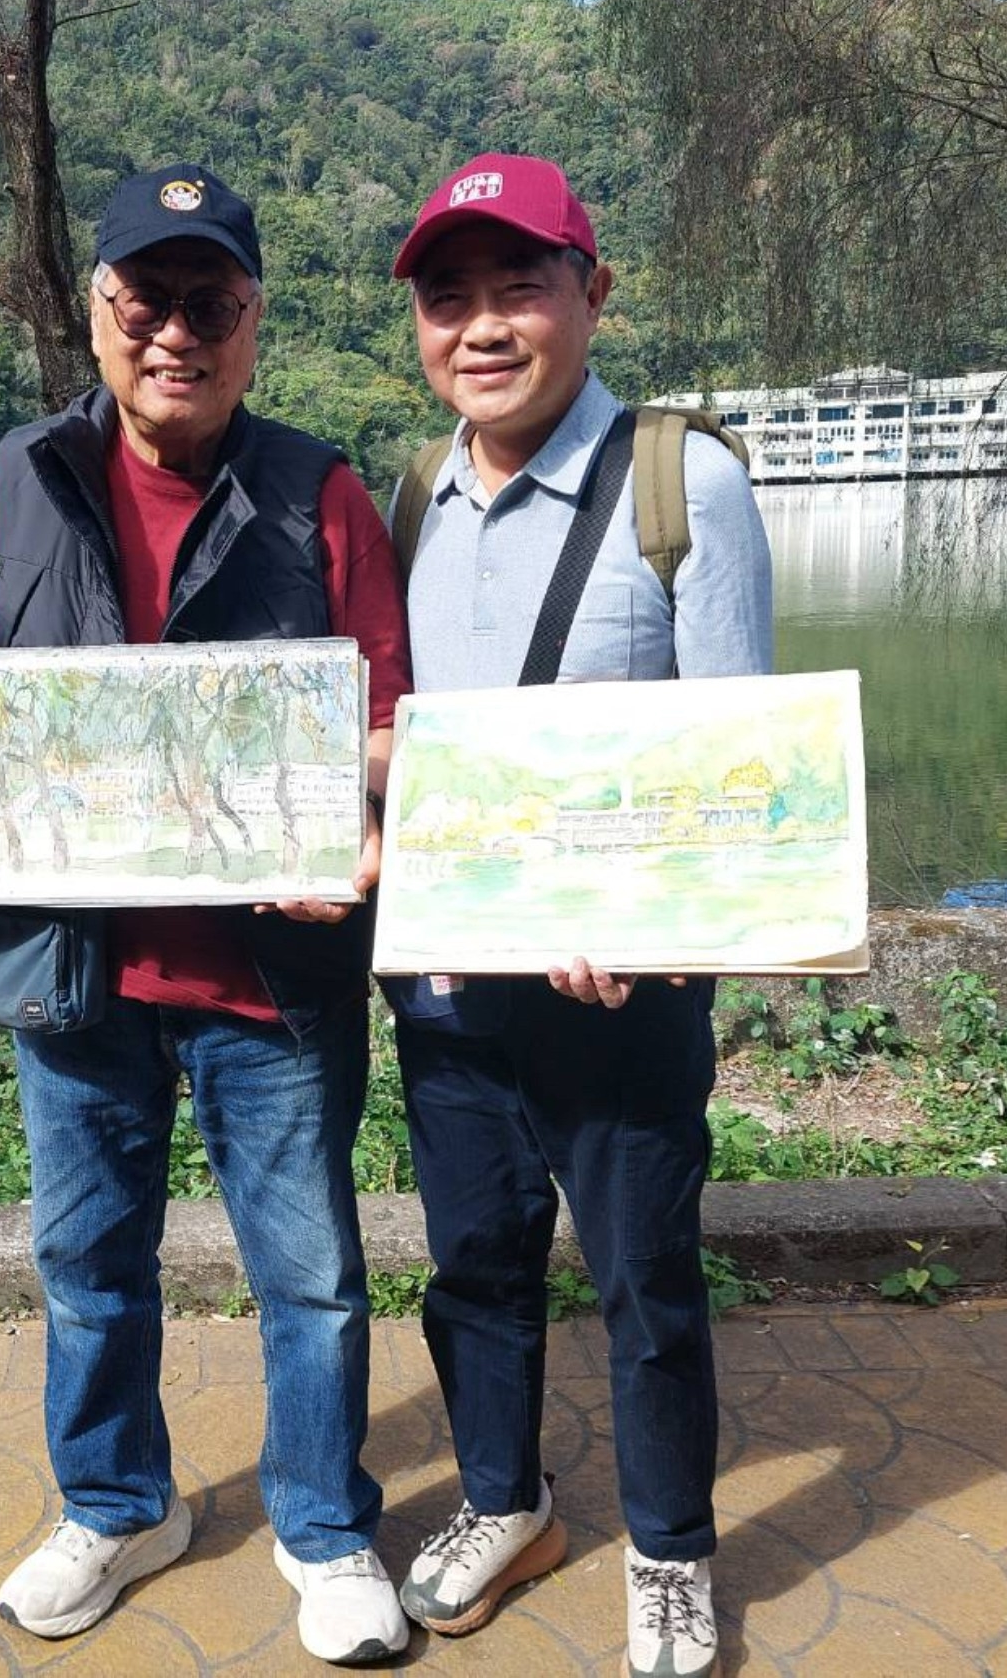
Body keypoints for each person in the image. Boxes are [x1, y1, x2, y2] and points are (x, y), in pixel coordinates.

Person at [0, 164, 414, 1665]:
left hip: (273, 980)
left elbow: (389, 726)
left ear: (254, 322)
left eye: (211, 305)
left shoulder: (321, 493)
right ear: (97, 310)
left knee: (313, 1280)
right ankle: (118, 1507)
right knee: (87, 1271)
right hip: (75, 977)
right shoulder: (12, 482)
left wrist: (347, 822)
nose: (176, 334)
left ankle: (324, 1528)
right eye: (147, 301)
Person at [382, 153, 773, 1678]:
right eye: (448, 298)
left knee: (646, 1282)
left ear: (591, 294)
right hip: (451, 989)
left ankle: (672, 1549)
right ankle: (508, 1502)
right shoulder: (410, 496)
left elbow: (738, 769)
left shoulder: (684, 484)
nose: (482, 327)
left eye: (518, 287)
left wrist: (653, 920)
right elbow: (407, 747)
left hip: (623, 995)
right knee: (475, 1265)